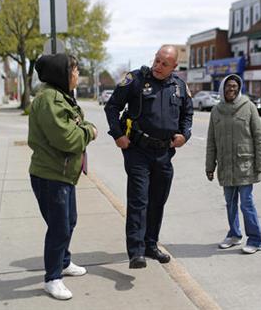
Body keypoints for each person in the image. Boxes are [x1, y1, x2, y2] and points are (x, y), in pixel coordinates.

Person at [104, 45, 193, 268]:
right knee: (139, 200)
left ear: (174, 66)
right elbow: (112, 107)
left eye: (164, 64)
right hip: (137, 150)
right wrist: (117, 135)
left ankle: (151, 245)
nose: (158, 66)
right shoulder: (135, 79)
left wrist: (185, 135)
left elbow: (187, 114)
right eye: (156, 60)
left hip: (164, 153)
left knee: (157, 200)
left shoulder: (179, 86)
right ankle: (136, 251)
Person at [28, 53, 97, 300]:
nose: (78, 74)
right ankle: (52, 278)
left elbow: (77, 123)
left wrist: (83, 127)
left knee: (69, 221)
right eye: (75, 70)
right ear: (61, 73)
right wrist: (90, 131)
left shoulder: (62, 97)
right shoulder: (50, 100)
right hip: (51, 175)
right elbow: (68, 138)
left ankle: (64, 263)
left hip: (63, 174)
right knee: (59, 228)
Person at [205, 74, 261, 254]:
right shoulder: (216, 111)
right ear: (222, 88)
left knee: (246, 203)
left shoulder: (248, 107)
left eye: (234, 86)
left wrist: (260, 164)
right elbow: (211, 141)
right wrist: (210, 166)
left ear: (239, 88)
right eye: (228, 86)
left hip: (245, 164)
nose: (231, 89)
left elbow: (259, 137)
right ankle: (234, 234)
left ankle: (256, 240)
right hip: (225, 165)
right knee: (230, 203)